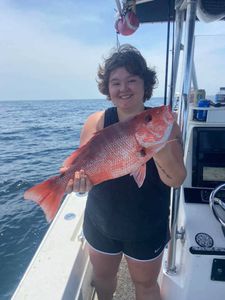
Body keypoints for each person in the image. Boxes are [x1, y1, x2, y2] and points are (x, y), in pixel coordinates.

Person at [61, 44, 186, 300]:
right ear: (107, 88)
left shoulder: (164, 122)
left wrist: (155, 143)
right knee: (103, 278)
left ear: (145, 84)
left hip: (147, 225)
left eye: (132, 80)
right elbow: (82, 164)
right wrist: (77, 182)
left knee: (146, 285)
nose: (124, 88)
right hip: (101, 223)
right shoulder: (96, 121)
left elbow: (177, 179)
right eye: (116, 82)